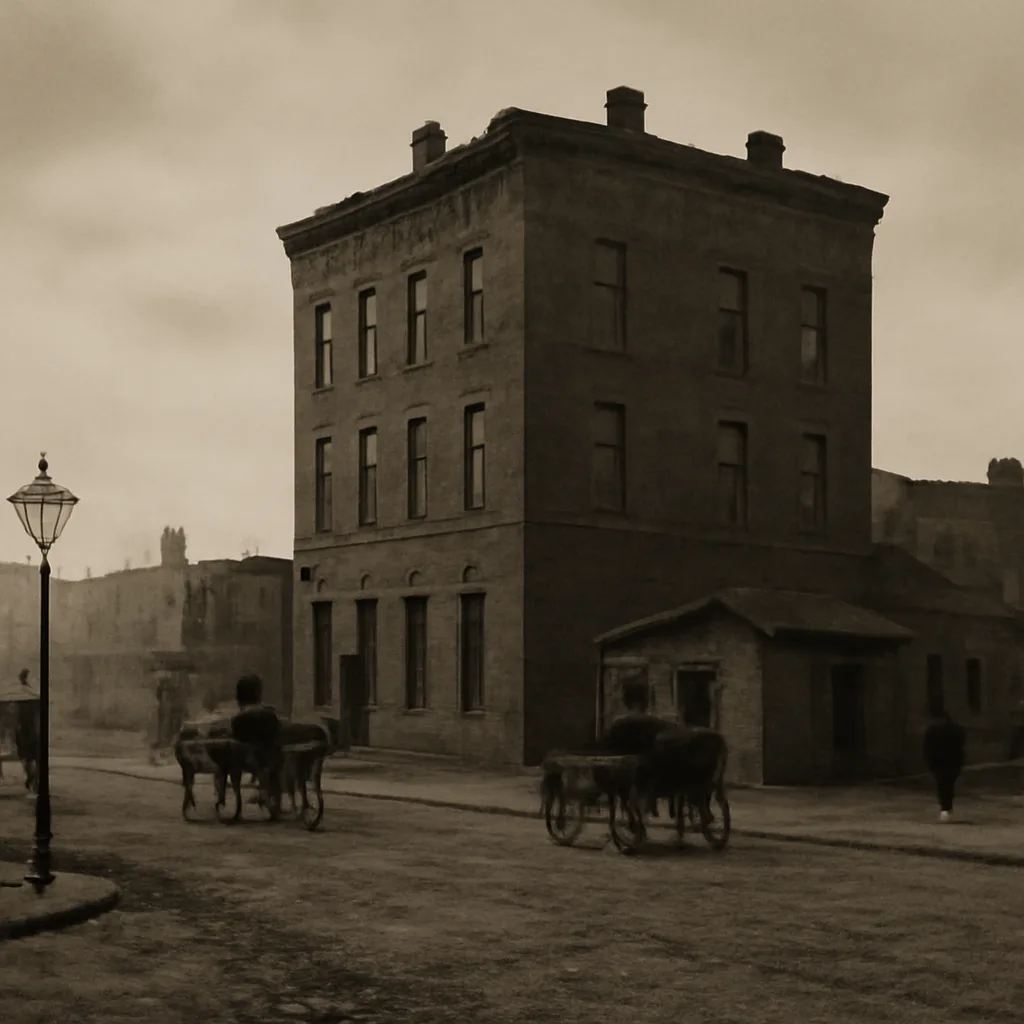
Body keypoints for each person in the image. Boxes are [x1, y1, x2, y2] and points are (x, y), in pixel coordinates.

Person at [923, 710, 966, 823]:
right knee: (948, 784)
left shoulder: (933, 730)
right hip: (952, 761)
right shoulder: (956, 729)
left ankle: (945, 807)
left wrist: (930, 760)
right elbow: (961, 744)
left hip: (940, 762)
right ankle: (947, 807)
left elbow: (927, 747)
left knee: (942, 784)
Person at [15, 669, 40, 795]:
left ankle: (32, 781)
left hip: (27, 734)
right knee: (32, 760)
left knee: (28, 760)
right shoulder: (30, 693)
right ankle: (32, 782)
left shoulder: (21, 695)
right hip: (33, 733)